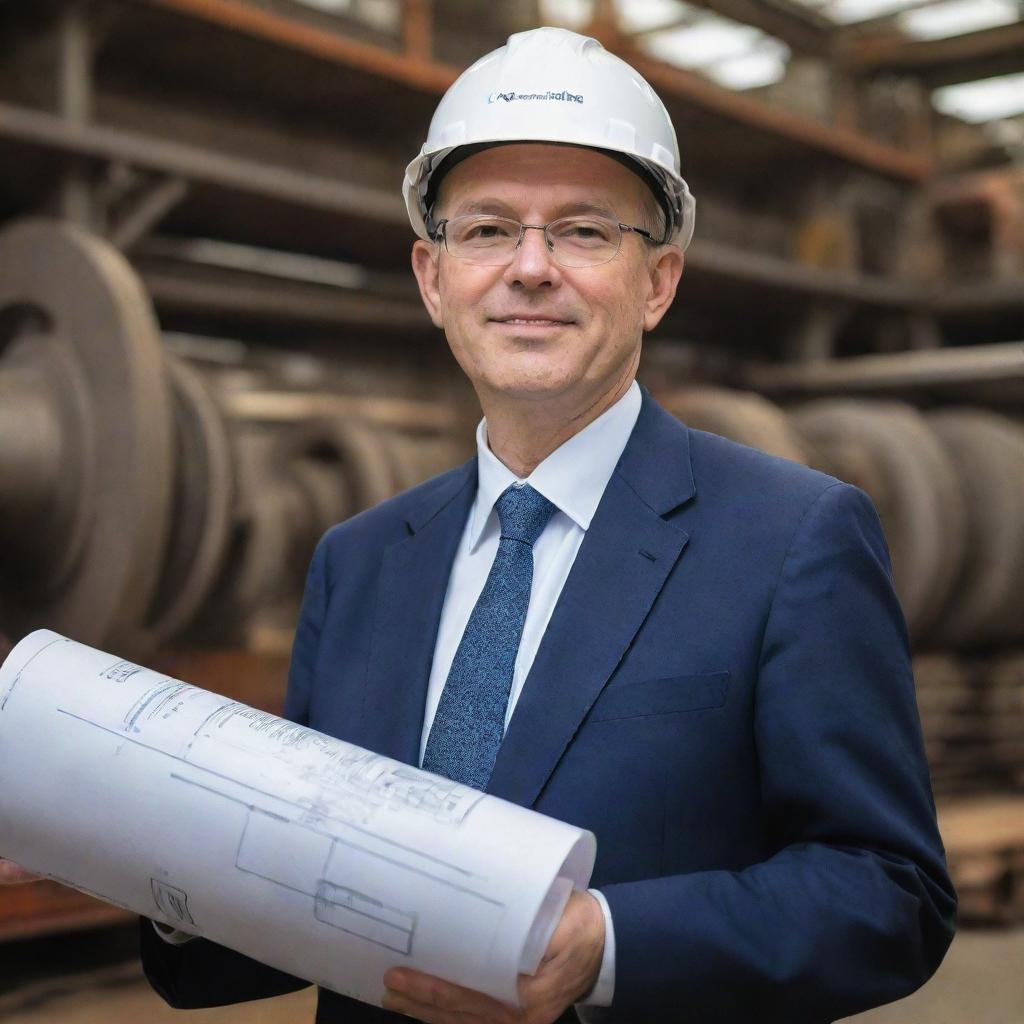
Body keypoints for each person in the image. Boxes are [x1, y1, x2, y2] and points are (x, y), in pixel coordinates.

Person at [2, 26, 954, 1024]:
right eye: (488, 229)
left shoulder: (791, 538)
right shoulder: (360, 560)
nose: (530, 268)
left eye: (584, 231)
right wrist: (152, 855)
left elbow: (889, 889)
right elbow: (303, 891)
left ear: (658, 282)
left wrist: (609, 946)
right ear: (432, 277)